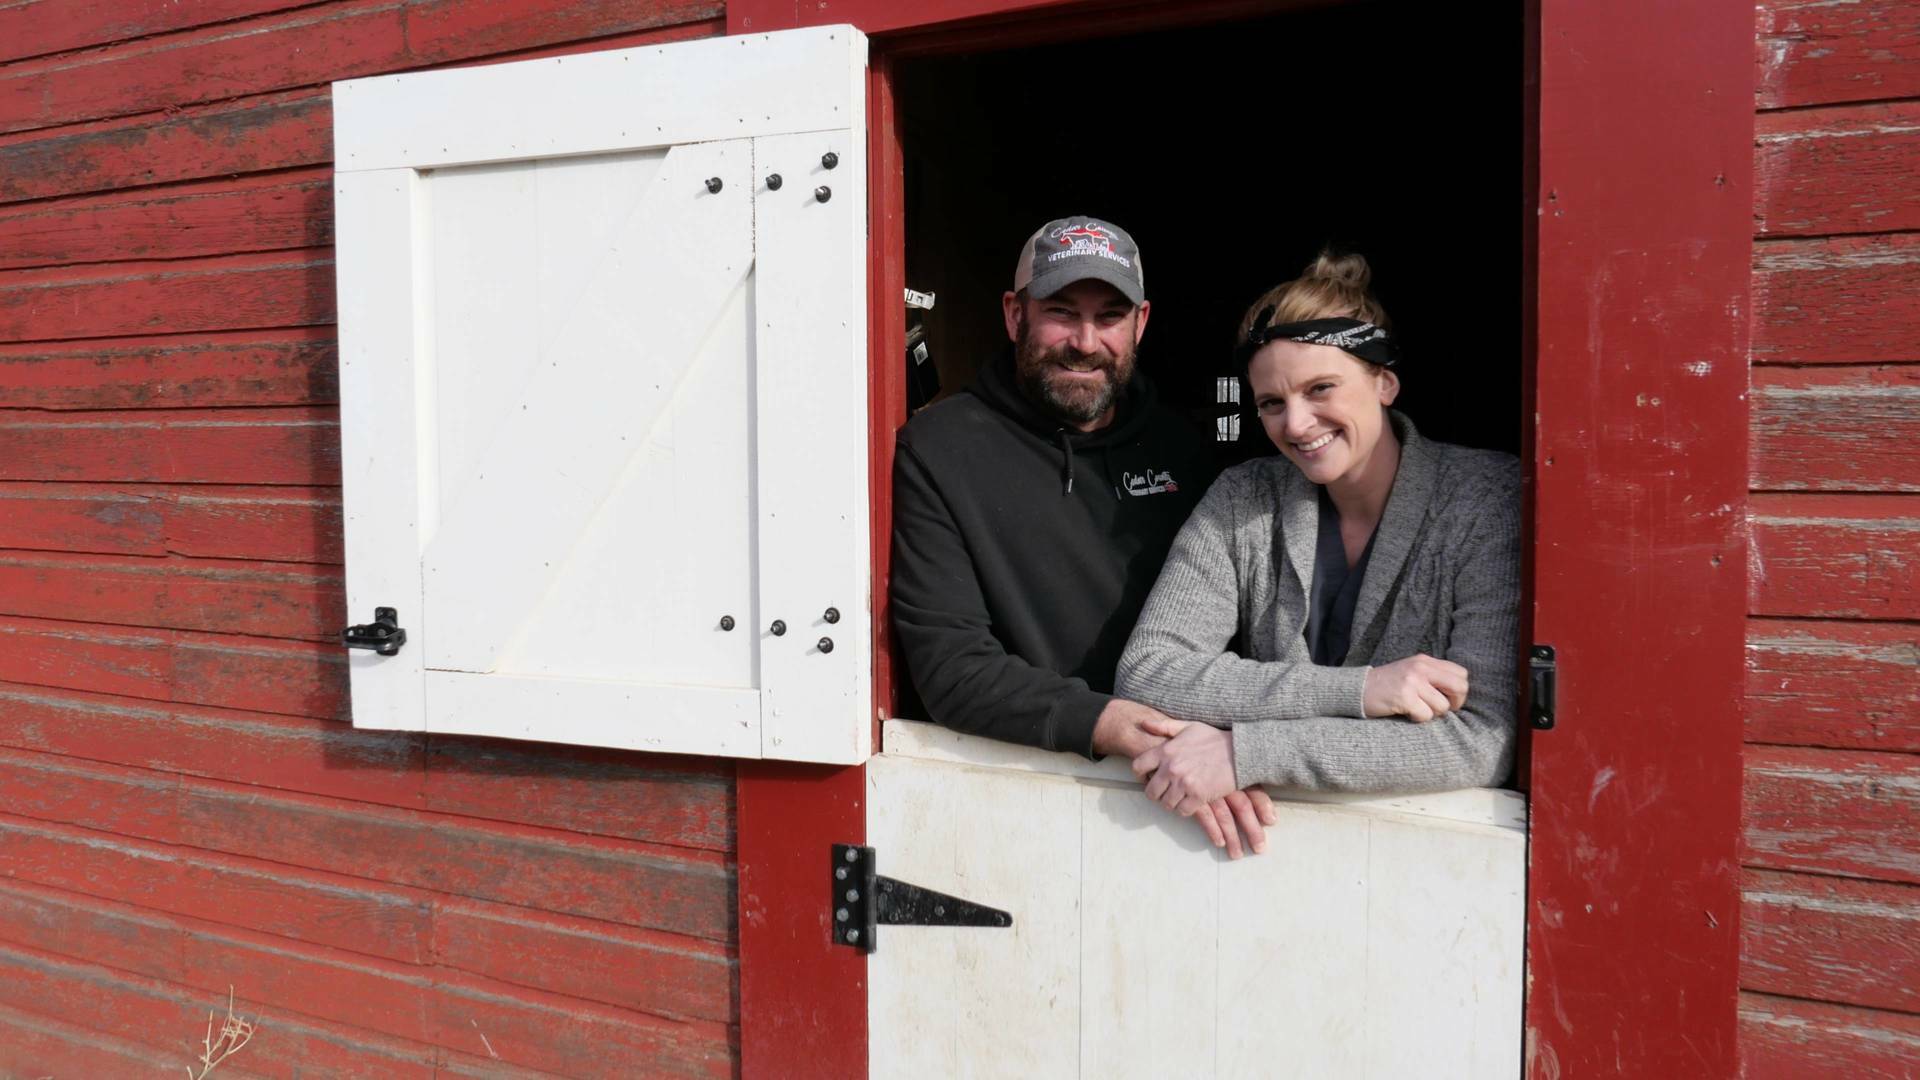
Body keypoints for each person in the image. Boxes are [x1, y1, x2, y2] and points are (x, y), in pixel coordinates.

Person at [890, 215, 1276, 855]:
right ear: (1015, 315)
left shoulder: (1190, 451)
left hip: (1203, 786)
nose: (1086, 341)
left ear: (1141, 324)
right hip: (1030, 802)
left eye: (1110, 317)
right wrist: (1121, 726)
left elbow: (1250, 632)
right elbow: (953, 668)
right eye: (1061, 312)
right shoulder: (940, 450)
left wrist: (1232, 745)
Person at [1115, 249, 1521, 817]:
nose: (1297, 424)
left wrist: (1246, 752)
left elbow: (1480, 741)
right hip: (1265, 848)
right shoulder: (1244, 497)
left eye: (1321, 389)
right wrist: (1359, 690)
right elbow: (1149, 673)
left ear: (1384, 382)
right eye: (1272, 403)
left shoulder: (1486, 500)